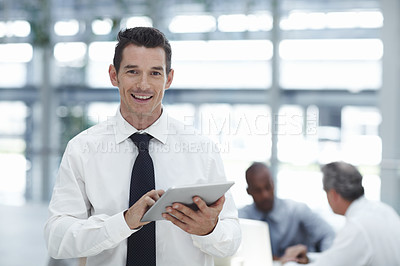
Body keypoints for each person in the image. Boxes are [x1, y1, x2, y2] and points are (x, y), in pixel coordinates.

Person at [44, 27, 241, 266]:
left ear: (169, 79)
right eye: (132, 71)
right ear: (114, 75)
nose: (143, 85)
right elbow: (57, 239)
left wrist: (209, 230)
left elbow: (231, 240)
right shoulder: (82, 149)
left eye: (155, 73)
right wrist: (125, 222)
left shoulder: (202, 150)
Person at [282, 161, 400, 265]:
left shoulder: (357, 228)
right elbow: (341, 256)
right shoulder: (384, 210)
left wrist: (290, 261)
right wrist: (310, 258)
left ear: (333, 194)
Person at [239, 162, 335, 262]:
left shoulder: (296, 210)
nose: (265, 195)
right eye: (258, 190)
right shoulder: (241, 218)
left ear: (273, 184)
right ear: (248, 191)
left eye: (268, 187)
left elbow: (328, 234)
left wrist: (321, 261)